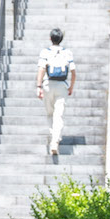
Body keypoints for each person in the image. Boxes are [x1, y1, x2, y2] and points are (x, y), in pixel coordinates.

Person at [36, 26, 76, 158]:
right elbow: (73, 71)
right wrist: (71, 86)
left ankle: (54, 136)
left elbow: (41, 69)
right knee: (59, 115)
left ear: (50, 38)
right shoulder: (67, 53)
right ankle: (55, 140)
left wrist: (39, 86)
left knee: (50, 113)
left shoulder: (45, 52)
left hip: (48, 85)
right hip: (62, 86)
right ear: (61, 39)